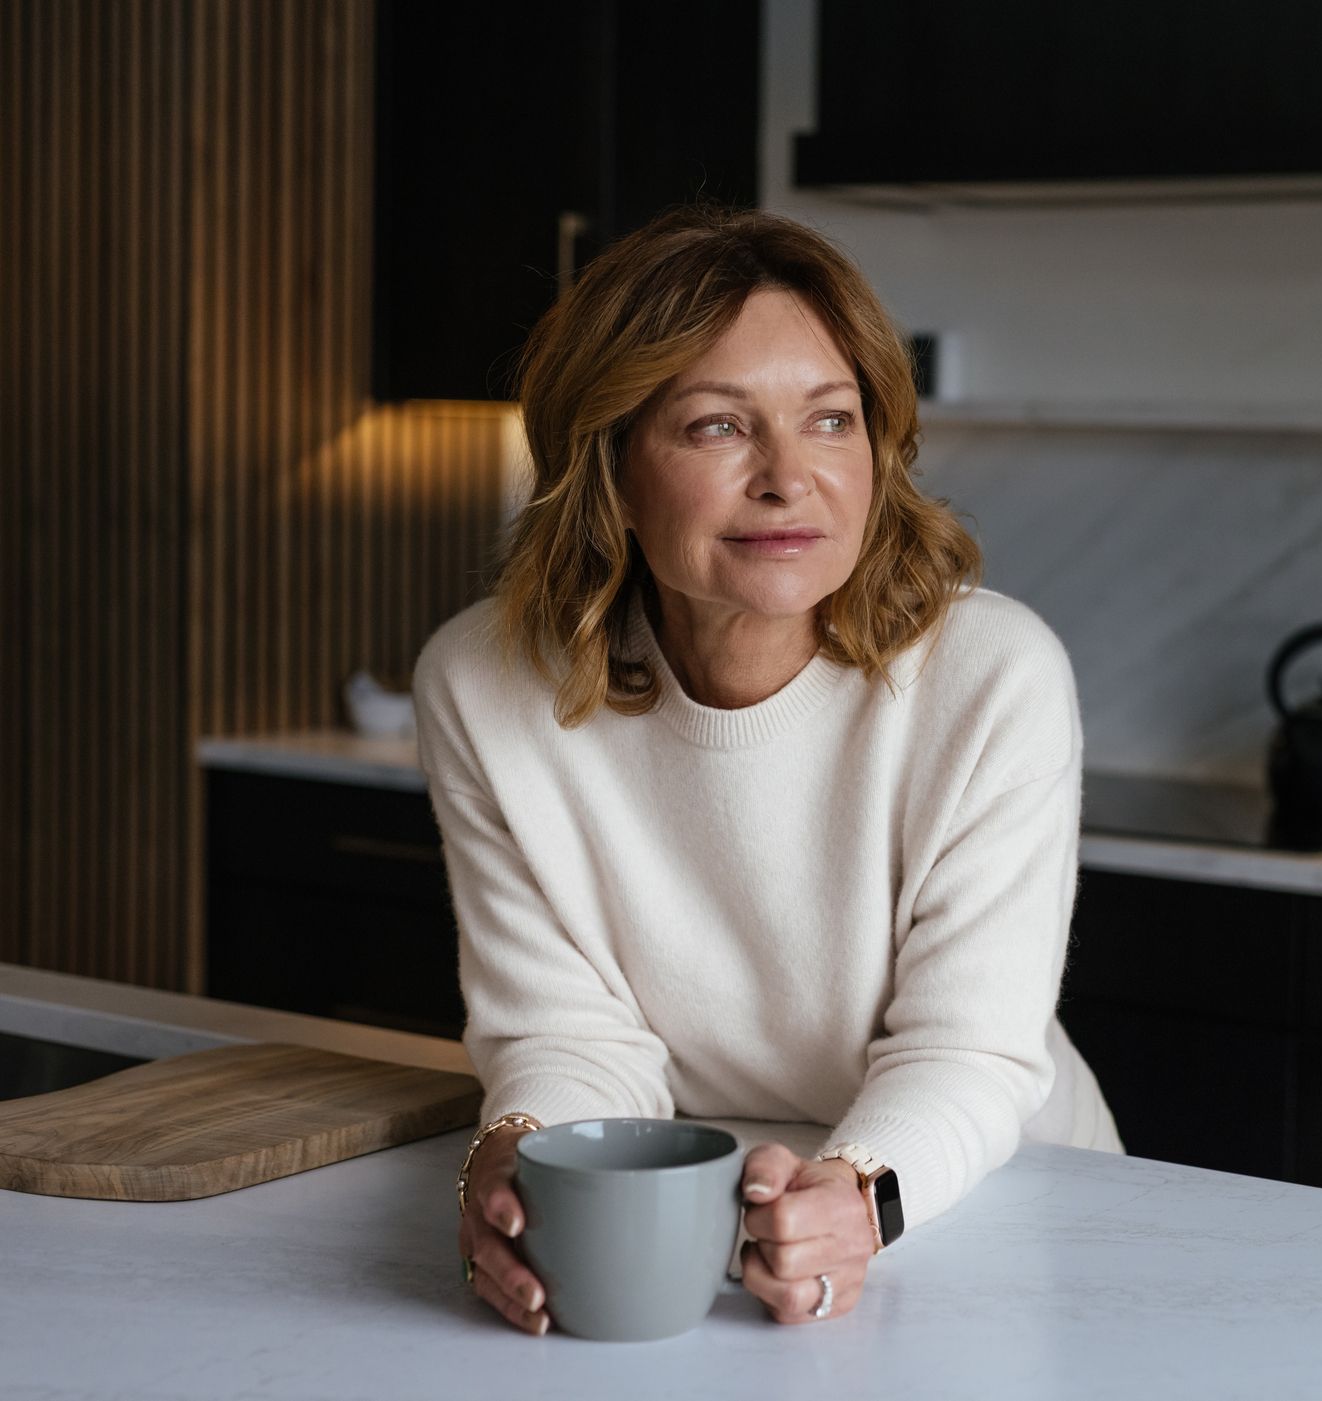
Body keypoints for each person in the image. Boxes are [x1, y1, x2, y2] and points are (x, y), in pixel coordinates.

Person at [414, 203, 1123, 1336]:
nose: (789, 479)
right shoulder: (482, 684)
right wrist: (516, 1166)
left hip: (990, 1201)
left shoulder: (992, 675)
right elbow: (566, 1034)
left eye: (831, 421)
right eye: (715, 428)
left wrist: (858, 1196)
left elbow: (967, 1051)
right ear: (611, 465)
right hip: (689, 1218)